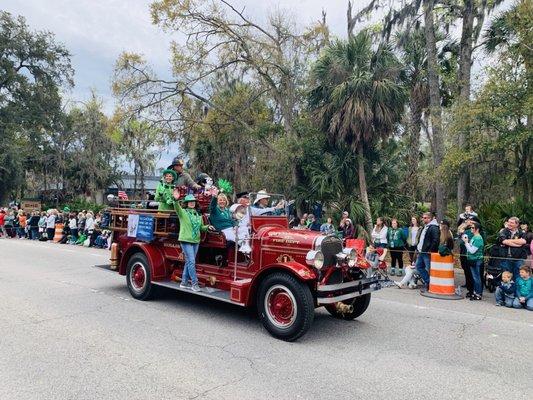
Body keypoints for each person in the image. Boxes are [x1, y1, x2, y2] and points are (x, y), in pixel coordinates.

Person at [173, 190, 214, 291]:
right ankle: (194, 284)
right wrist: (176, 199)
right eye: (190, 201)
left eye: (193, 201)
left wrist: (208, 227)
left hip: (196, 240)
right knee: (191, 261)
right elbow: (177, 207)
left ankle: (183, 282)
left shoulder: (198, 215)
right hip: (186, 240)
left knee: (189, 262)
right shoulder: (183, 213)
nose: (192, 203)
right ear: (186, 203)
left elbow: (201, 227)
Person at [415, 212, 440, 289]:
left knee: (429, 269)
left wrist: (430, 250)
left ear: (430, 218)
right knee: (418, 266)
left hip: (427, 252)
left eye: (425, 218)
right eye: (423, 217)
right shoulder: (426, 226)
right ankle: (428, 281)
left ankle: (431, 285)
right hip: (421, 251)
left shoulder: (434, 227)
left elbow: (436, 240)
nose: (423, 219)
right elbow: (422, 239)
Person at [463, 221, 484, 300]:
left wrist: (466, 242)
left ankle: (478, 293)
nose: (471, 229)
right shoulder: (474, 237)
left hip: (477, 260)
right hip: (472, 259)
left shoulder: (478, 238)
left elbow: (472, 250)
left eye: (472, 228)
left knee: (477, 278)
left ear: (477, 229)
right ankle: (475, 292)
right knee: (474, 277)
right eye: (470, 227)